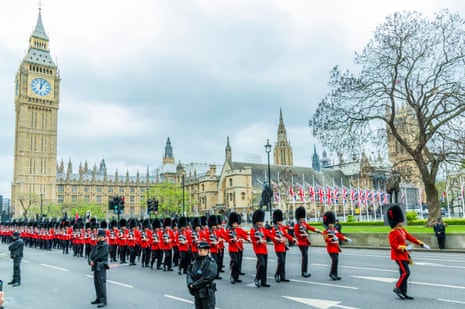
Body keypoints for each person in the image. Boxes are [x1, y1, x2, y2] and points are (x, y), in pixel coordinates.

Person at [387, 204, 430, 300]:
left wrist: (421, 243)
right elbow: (393, 245)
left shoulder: (402, 231)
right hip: (398, 255)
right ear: (396, 222)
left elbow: (410, 237)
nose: (402, 223)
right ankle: (398, 287)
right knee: (406, 273)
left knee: (403, 273)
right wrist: (405, 248)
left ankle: (404, 292)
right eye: (400, 221)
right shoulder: (393, 232)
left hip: (404, 255)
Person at [186, 241, 217, 309]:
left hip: (206, 292)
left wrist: (194, 285)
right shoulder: (195, 261)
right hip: (197, 291)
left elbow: (208, 277)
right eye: (199, 249)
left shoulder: (210, 262)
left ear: (207, 250)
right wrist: (190, 283)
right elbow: (189, 272)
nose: (199, 251)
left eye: (201, 250)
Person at [322, 211, 351, 281]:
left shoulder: (335, 230)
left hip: (336, 248)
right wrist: (332, 239)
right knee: (335, 260)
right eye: (330, 224)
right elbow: (326, 240)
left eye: (332, 224)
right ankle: (332, 274)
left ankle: (335, 274)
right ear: (327, 224)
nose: (332, 225)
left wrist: (346, 239)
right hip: (331, 249)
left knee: (336, 261)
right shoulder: (325, 232)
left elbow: (339, 235)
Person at [293, 206, 321, 278]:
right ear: (299, 218)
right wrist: (303, 235)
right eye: (301, 218)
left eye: (303, 218)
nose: (303, 219)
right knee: (305, 256)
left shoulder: (304, 224)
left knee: (306, 257)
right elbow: (296, 234)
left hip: (306, 243)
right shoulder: (297, 225)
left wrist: (316, 230)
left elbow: (310, 227)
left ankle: (305, 271)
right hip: (301, 243)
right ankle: (303, 272)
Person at [271, 209, 296, 283]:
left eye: (281, 222)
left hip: (283, 247)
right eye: (279, 223)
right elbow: (273, 238)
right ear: (276, 222)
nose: (280, 224)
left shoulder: (281, 228)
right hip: (278, 248)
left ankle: (282, 276)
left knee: (283, 262)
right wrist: (279, 240)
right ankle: (276, 274)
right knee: (281, 261)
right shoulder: (273, 229)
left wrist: (293, 239)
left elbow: (287, 235)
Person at [250, 209, 273, 288]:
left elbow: (270, 235)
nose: (261, 225)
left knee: (265, 266)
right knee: (262, 265)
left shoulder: (263, 229)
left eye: (261, 223)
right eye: (259, 224)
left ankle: (263, 282)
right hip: (258, 250)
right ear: (256, 223)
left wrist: (276, 238)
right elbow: (254, 241)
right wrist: (259, 241)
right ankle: (257, 278)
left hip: (264, 250)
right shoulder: (253, 230)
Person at [88, 229, 109, 308]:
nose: (97, 237)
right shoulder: (97, 245)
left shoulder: (105, 245)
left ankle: (104, 301)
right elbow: (91, 253)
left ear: (103, 237)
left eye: (99, 236)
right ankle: (98, 298)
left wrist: (93, 261)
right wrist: (90, 260)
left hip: (101, 266)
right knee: (96, 283)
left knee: (101, 284)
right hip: (95, 266)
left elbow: (101, 255)